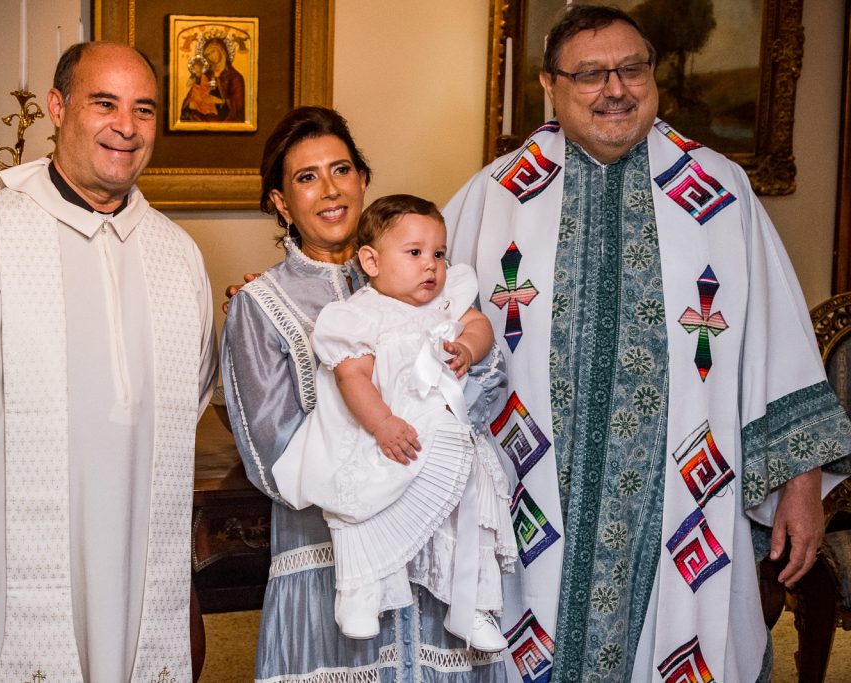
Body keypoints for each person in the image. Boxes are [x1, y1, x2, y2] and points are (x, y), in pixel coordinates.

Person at [442, 5, 851, 682]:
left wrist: (802, 484)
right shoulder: (495, 196)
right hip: (529, 496)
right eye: (592, 74)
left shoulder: (718, 191)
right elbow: (406, 305)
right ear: (550, 84)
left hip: (680, 497)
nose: (616, 88)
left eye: (633, 69)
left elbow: (778, 343)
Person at [0, 42, 217, 682]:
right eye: (104, 103)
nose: (127, 127)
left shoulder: (178, 256)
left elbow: (190, 396)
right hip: (1, 564)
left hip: (138, 557)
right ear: (57, 108)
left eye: (144, 109)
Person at [221, 107, 510, 681]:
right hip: (329, 553)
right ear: (281, 202)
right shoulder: (260, 305)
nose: (330, 190)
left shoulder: (425, 275)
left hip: (437, 539)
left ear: (362, 180)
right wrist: (376, 478)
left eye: (342, 169)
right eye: (306, 177)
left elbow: (490, 383)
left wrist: (436, 423)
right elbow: (270, 454)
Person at [271, 194, 516, 650]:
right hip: (382, 432)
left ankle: (473, 602)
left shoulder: (447, 302)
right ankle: (361, 591)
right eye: (416, 253)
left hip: (444, 431)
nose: (432, 266)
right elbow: (352, 377)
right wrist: (382, 424)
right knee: (367, 499)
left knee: (470, 506)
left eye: (439, 254)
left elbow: (480, 326)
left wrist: (467, 347)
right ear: (372, 261)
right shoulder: (358, 315)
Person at [180, 35, 244, 123]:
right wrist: (190, 105)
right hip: (199, 119)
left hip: (225, 122)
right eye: (208, 54)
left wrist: (221, 102)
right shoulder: (205, 75)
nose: (211, 56)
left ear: (222, 50)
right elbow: (190, 98)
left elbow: (237, 110)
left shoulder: (235, 78)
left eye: (213, 51)